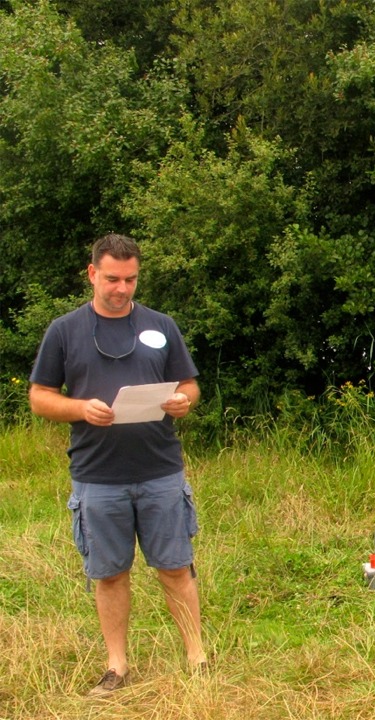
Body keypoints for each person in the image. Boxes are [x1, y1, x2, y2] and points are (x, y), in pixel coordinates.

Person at [28, 233, 207, 696]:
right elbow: (39, 397)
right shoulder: (64, 330)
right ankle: (117, 665)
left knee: (175, 565)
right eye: (112, 279)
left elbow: (189, 386)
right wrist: (81, 408)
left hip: (160, 470)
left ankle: (196, 655)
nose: (121, 288)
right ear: (92, 274)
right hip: (97, 475)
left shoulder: (161, 325)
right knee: (109, 573)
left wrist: (182, 401)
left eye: (130, 279)